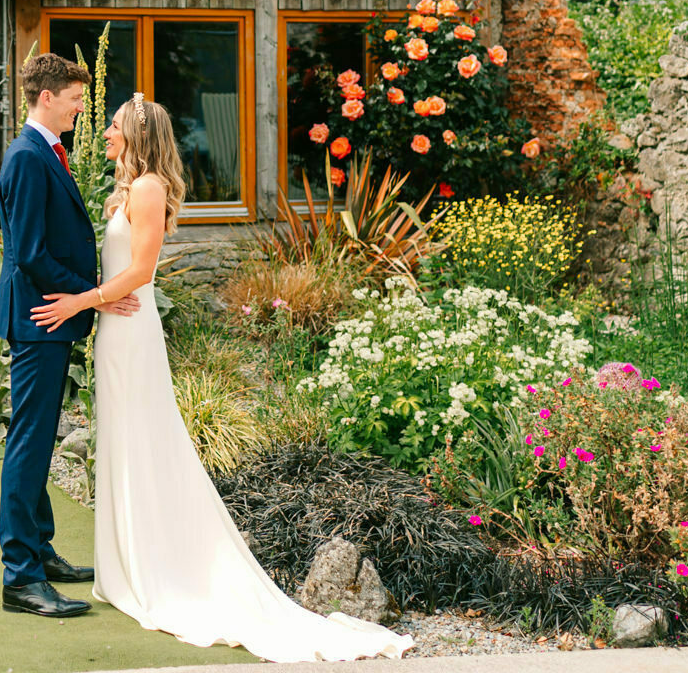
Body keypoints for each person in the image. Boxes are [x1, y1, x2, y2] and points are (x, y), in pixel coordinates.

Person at [30, 93, 417, 661]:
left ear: (137, 136)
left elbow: (140, 270)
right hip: (116, 332)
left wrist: (80, 302)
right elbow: (121, 270)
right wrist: (100, 303)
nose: (105, 134)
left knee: (145, 444)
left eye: (112, 127)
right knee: (122, 444)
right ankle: (125, 568)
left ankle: (156, 569)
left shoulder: (148, 188)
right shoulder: (128, 188)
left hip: (134, 340)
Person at [0, 53, 141, 618]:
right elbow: (29, 252)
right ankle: (20, 577)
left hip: (52, 316)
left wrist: (90, 291)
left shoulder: (44, 151)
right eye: (76, 99)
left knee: (40, 436)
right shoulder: (29, 158)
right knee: (28, 444)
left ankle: (41, 550)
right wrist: (92, 290)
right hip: (41, 318)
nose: (83, 108)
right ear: (46, 97)